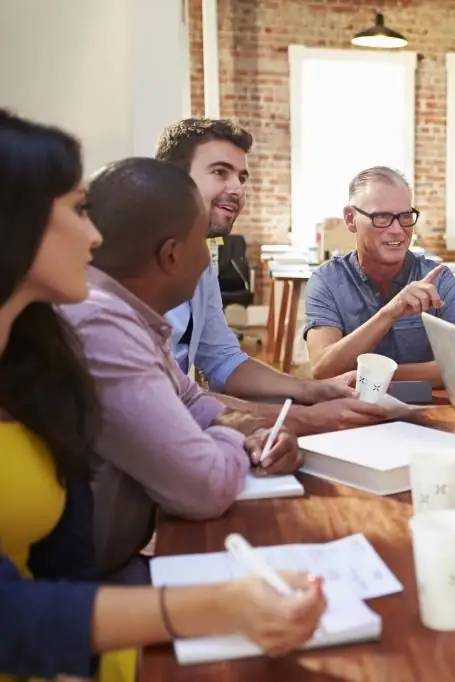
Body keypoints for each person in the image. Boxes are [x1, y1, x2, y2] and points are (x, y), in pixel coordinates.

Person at [0, 110, 324, 682]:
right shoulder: (93, 320)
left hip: (74, 624)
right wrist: (216, 606)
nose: (96, 235)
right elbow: (198, 476)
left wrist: (251, 429)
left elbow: (194, 401)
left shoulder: (42, 337)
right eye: (78, 210)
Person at [61, 157, 303, 583]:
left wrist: (253, 434)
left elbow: (190, 398)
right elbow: (204, 486)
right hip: (81, 588)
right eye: (202, 245)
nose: (209, 259)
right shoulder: (100, 325)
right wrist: (227, 435)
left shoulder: (131, 313)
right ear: (172, 255)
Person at [156, 118, 387, 435]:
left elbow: (222, 359)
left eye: (242, 177)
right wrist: (310, 419)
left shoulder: (201, 259)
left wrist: (311, 390)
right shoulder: (134, 268)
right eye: (220, 173)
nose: (237, 189)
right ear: (173, 181)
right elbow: (167, 399)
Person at [304, 166, 455, 386]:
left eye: (405, 216)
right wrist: (390, 312)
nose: (397, 230)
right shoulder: (326, 280)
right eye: (381, 217)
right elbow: (322, 371)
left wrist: (377, 376)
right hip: (350, 411)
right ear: (350, 218)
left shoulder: (437, 278)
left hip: (425, 411)